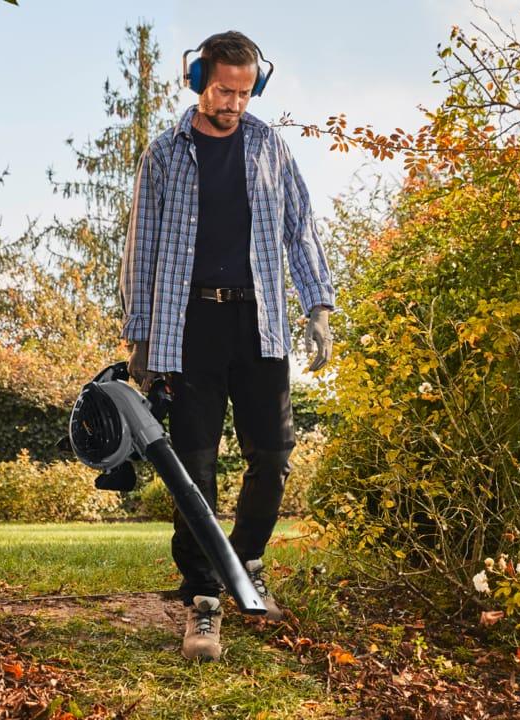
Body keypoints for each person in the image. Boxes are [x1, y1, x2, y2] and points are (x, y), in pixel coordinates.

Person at [119, 30, 335, 662]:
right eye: (223, 90)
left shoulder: (271, 148)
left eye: (245, 92)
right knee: (193, 465)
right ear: (198, 81)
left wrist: (318, 305)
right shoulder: (165, 154)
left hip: (261, 324)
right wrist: (139, 335)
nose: (234, 103)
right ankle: (203, 598)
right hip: (189, 328)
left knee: (272, 457)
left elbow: (302, 230)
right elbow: (142, 247)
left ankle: (244, 562)